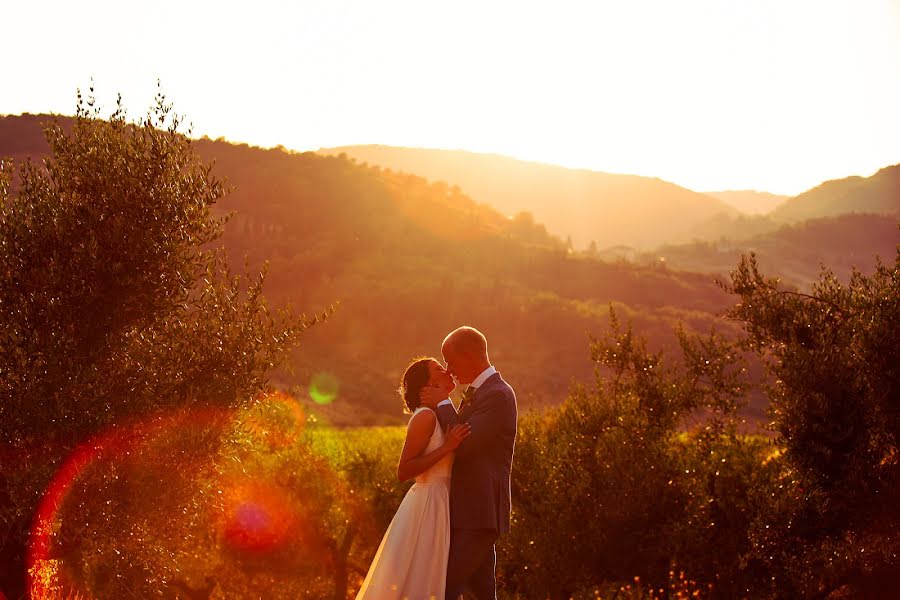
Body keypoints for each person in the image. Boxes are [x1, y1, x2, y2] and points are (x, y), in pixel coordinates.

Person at [355, 357, 471, 600]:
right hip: (428, 505)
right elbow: (404, 470)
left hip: (443, 502)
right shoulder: (425, 417)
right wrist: (447, 447)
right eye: (440, 369)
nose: (447, 370)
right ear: (428, 385)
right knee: (422, 574)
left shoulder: (441, 412)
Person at [420, 326, 518, 600]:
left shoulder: (497, 394)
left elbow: (463, 446)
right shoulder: (480, 393)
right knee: (483, 592)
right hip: (469, 512)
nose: (449, 369)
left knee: (443, 588)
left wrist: (442, 403)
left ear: (469, 355)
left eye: (450, 360)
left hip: (480, 512)